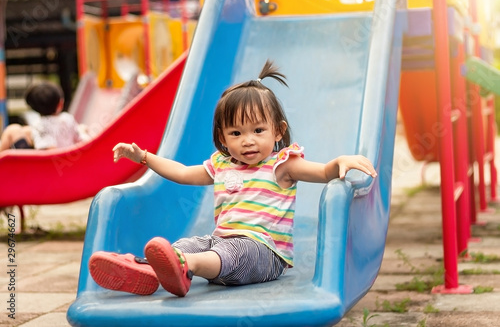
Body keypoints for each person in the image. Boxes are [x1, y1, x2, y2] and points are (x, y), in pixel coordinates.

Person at [88, 60, 377, 297]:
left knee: (231, 250)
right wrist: (143, 157)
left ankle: (183, 267)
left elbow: (324, 172)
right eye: (236, 133)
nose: (247, 141)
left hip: (264, 253)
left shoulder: (283, 165)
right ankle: (148, 269)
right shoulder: (222, 165)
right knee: (191, 243)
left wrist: (340, 161)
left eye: (258, 130)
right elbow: (183, 173)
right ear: (223, 140)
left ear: (278, 131)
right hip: (221, 242)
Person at [0, 82, 88, 151]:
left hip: (47, 168)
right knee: (23, 130)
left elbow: (48, 151)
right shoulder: (68, 118)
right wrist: (83, 132)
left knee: (12, 130)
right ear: (60, 104)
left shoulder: (39, 126)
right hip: (69, 161)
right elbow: (82, 140)